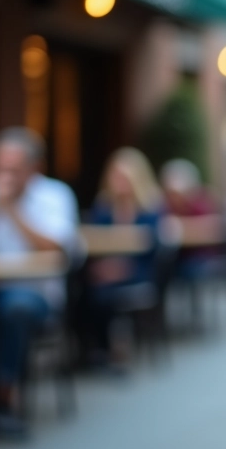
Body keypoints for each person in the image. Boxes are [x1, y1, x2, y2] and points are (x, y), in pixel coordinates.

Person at [0, 127, 79, 438]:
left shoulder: (54, 195)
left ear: (34, 168)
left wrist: (13, 210)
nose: (5, 177)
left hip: (34, 294)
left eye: (13, 170)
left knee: (13, 310)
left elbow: (56, 248)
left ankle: (4, 404)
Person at [85, 148, 163, 367]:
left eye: (125, 178)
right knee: (86, 288)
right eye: (116, 176)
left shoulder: (149, 208)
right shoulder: (103, 207)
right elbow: (94, 242)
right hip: (106, 268)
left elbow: (153, 248)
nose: (119, 183)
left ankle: (110, 349)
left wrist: (121, 268)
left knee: (103, 294)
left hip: (139, 271)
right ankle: (94, 349)